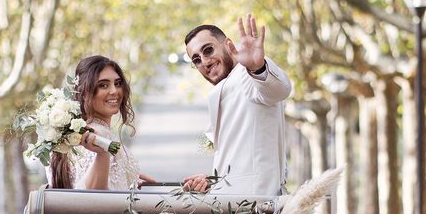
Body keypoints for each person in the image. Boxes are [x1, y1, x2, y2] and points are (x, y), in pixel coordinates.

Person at [181, 14, 293, 196]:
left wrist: (258, 68)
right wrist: (210, 182)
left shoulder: (249, 74)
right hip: (229, 208)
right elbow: (235, 161)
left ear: (227, 44)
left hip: (257, 209)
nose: (204, 61)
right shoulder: (221, 89)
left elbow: (281, 90)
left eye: (208, 50)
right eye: (196, 60)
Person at [48, 55, 155, 189]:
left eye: (117, 83)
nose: (114, 91)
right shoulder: (97, 136)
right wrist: (102, 154)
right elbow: (91, 197)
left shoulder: (80, 133)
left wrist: (126, 179)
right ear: (85, 92)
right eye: (103, 85)